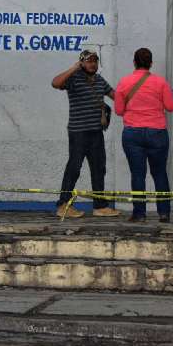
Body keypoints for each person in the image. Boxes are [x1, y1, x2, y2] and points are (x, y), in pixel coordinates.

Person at [51, 49, 120, 219]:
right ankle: (63, 205)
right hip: (78, 133)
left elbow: (116, 97)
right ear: (82, 63)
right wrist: (74, 68)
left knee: (99, 169)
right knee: (74, 168)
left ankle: (100, 206)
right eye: (89, 61)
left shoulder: (99, 80)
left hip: (96, 132)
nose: (93, 64)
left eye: (95, 61)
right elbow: (55, 83)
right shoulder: (74, 79)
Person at [115, 48, 173, 222]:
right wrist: (171, 97)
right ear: (151, 63)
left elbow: (119, 110)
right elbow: (171, 107)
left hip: (132, 133)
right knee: (159, 174)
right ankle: (164, 213)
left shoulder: (124, 82)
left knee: (137, 174)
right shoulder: (161, 82)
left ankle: (139, 213)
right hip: (157, 132)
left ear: (134, 62)